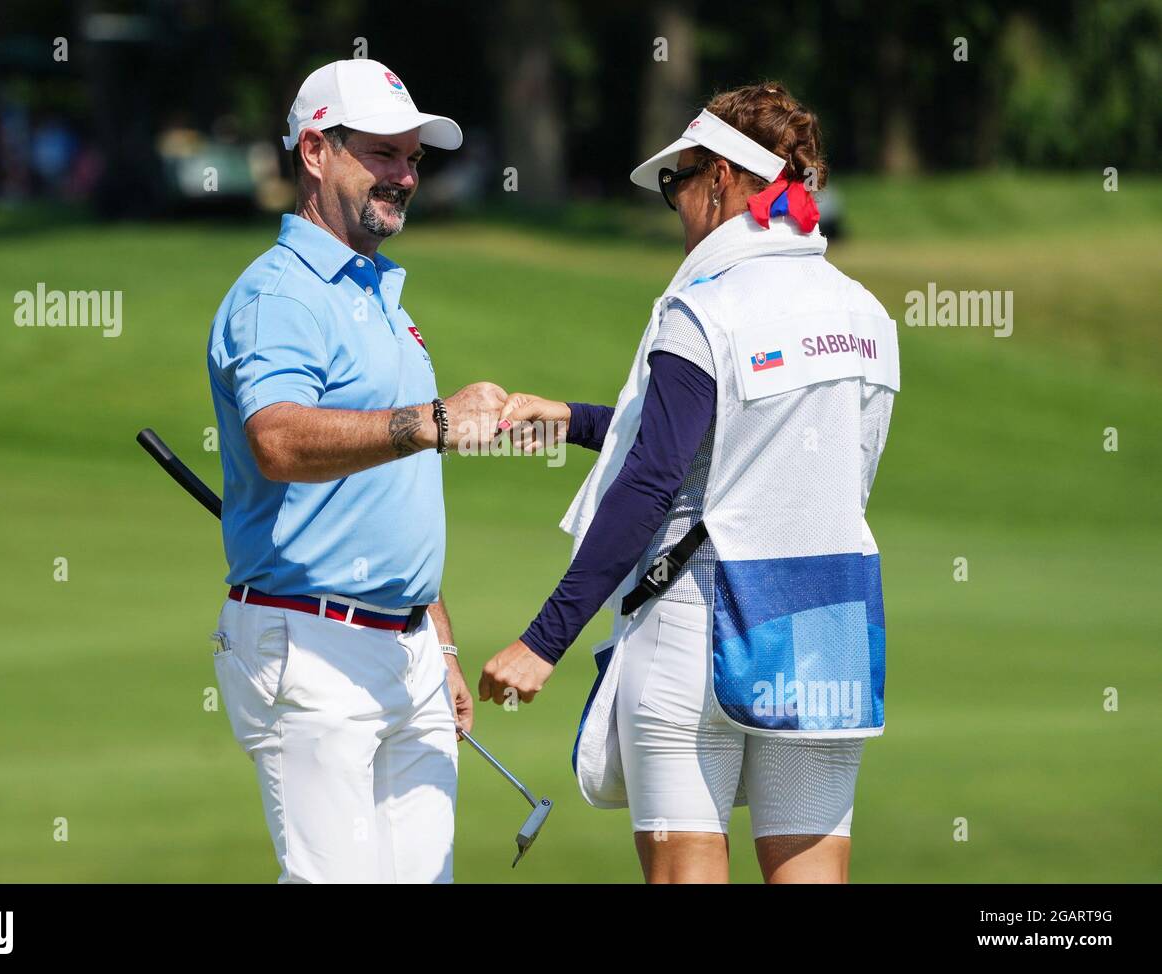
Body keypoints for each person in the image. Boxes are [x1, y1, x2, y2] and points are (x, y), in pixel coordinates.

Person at [479, 82, 900, 884]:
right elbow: (755, 452)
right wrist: (572, 418)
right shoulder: (866, 314)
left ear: (721, 179)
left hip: (694, 625)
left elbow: (651, 482)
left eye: (678, 180)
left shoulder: (705, 308)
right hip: (829, 622)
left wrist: (542, 643)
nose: (673, 202)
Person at [206, 59, 506, 883]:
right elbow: (278, 438)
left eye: (413, 158)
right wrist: (433, 421)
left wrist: (438, 641)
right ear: (314, 152)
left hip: (404, 646)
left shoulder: (377, 293)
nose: (405, 176)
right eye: (381, 153)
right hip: (308, 642)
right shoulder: (282, 296)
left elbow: (393, 491)